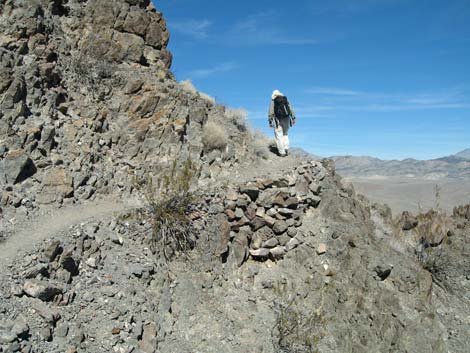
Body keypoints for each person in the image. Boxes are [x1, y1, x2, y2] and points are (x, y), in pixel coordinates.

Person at [268, 90, 296, 157]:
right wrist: (293, 117)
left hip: (277, 120)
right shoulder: (285, 99)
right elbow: (290, 108)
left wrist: (270, 121)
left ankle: (281, 152)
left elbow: (271, 111)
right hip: (286, 118)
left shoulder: (273, 100)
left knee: (279, 135)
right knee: (285, 134)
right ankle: (286, 148)